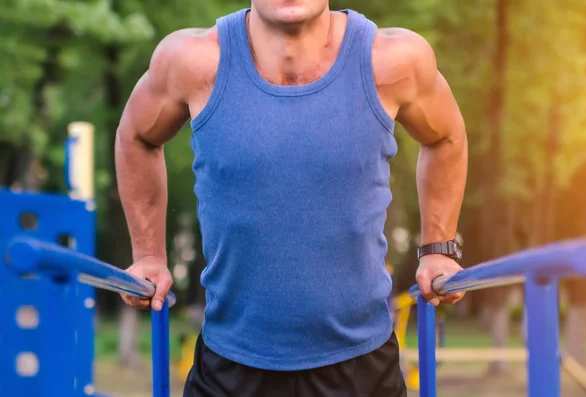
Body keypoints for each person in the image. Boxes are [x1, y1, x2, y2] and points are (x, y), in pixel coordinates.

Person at [115, 1, 468, 396]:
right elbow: (138, 136)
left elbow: (444, 137)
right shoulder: (191, 61)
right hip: (230, 369)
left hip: (360, 368)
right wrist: (148, 255)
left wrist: (439, 247)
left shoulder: (392, 59)